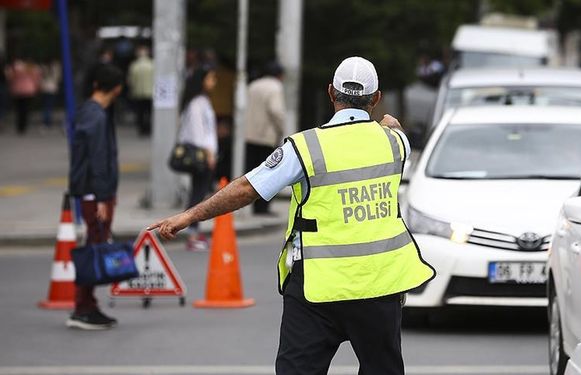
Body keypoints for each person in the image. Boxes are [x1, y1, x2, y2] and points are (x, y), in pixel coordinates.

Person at [149, 56, 435, 374]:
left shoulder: (305, 147)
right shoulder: (395, 143)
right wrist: (387, 123)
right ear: (376, 97)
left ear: (331, 93)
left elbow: (247, 188)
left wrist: (189, 216)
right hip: (381, 285)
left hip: (317, 288)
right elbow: (392, 126)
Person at [67, 64, 124, 330]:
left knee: (94, 245)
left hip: (92, 192)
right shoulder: (97, 116)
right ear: (117, 88)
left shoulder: (87, 111)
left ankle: (87, 305)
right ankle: (83, 307)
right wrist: (103, 197)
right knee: (94, 248)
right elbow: (98, 160)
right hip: (95, 194)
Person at [176, 65, 218, 252]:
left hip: (205, 153)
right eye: (210, 78)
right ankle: (192, 232)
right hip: (201, 155)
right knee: (198, 193)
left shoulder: (202, 101)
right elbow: (198, 132)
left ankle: (194, 230)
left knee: (199, 191)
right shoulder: (196, 103)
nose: (213, 82)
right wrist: (209, 154)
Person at [244, 61, 285, 215]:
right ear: (279, 75)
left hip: (250, 135)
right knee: (268, 173)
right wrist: (281, 128)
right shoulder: (275, 87)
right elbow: (276, 110)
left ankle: (254, 206)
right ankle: (263, 208)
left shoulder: (253, 85)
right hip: (266, 136)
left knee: (253, 172)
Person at [6, 56, 41, 135]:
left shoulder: (15, 67)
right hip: (28, 90)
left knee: (19, 109)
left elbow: (10, 77)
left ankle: (20, 126)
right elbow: (37, 78)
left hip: (17, 90)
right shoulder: (32, 68)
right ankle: (23, 126)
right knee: (25, 109)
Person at [127, 46, 154, 136]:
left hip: (138, 92)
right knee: (149, 112)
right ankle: (149, 128)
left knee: (140, 112)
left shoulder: (134, 65)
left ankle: (142, 128)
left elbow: (131, 80)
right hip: (150, 92)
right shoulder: (152, 65)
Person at [40, 58, 61, 129]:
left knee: (45, 105)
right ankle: (48, 121)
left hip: (45, 88)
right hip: (52, 88)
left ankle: (46, 121)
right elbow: (58, 77)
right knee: (50, 106)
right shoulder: (55, 68)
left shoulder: (43, 68)